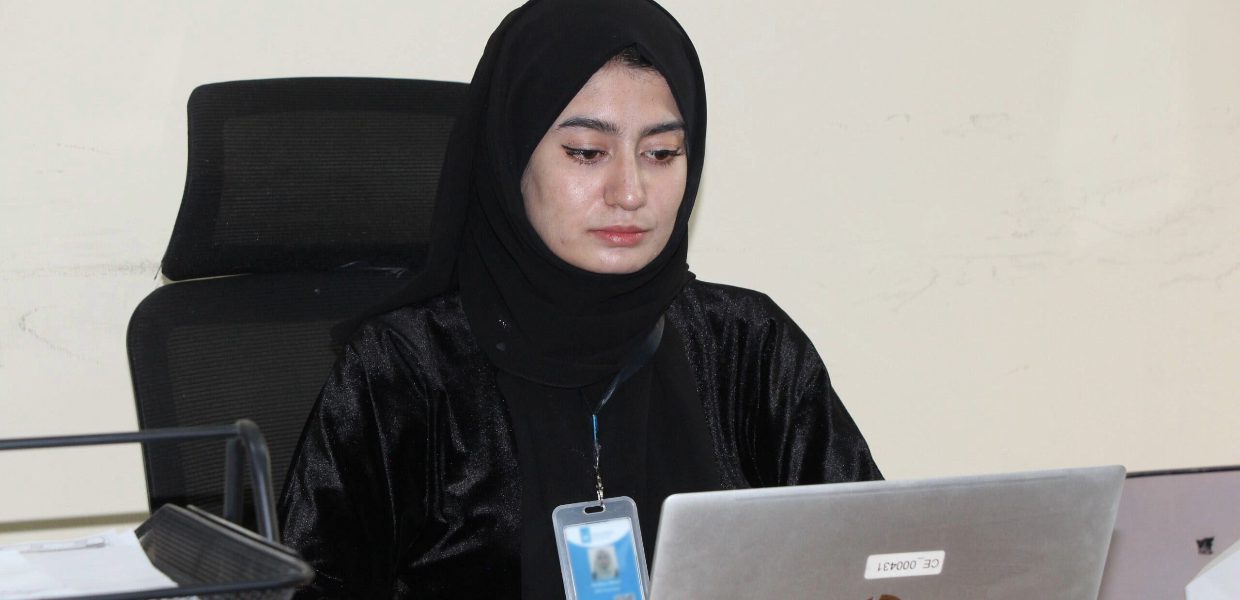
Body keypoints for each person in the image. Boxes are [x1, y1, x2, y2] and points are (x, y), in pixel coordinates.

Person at [278, 0, 881, 597]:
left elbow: (873, 560)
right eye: (588, 153)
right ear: (510, 157)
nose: (630, 191)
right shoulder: (405, 374)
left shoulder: (749, 350)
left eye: (662, 153)